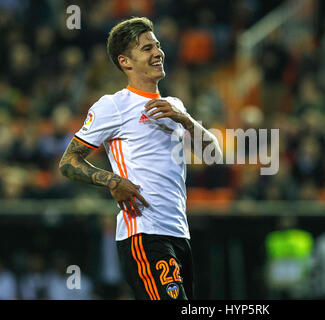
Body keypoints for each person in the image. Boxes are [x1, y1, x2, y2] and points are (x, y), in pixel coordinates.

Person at [59, 17, 222, 300]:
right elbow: (68, 162)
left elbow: (214, 155)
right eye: (147, 48)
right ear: (125, 62)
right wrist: (112, 180)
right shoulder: (114, 105)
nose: (158, 53)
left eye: (157, 46)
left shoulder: (174, 106)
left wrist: (185, 120)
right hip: (144, 233)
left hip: (179, 233)